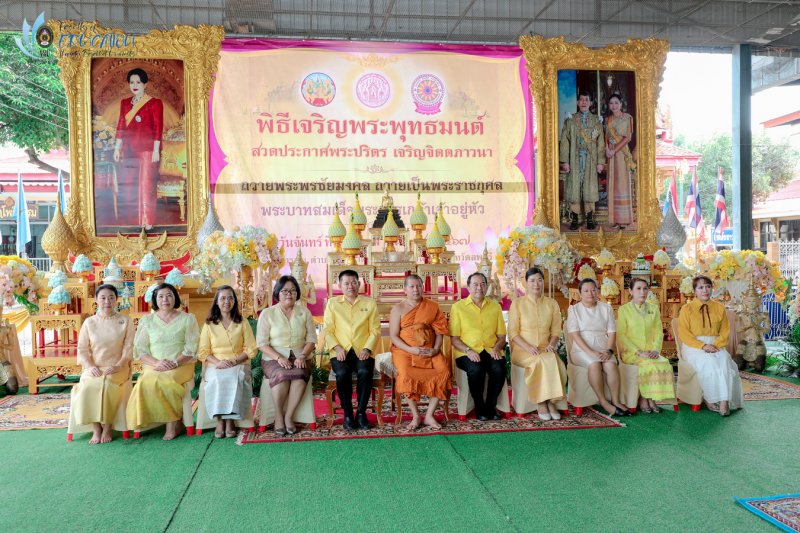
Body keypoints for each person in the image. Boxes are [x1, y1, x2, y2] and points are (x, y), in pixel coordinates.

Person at [126, 283, 199, 440]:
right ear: (155, 300)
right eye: (160, 296)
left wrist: (174, 362)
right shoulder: (147, 320)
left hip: (181, 364)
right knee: (145, 381)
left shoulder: (188, 319)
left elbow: (192, 347)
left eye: (169, 295)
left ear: (175, 298)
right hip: (154, 365)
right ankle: (150, 419)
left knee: (167, 379)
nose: (165, 299)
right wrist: (157, 363)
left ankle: (172, 423)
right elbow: (140, 350)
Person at [71, 284, 135, 443]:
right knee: (87, 386)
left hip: (117, 367)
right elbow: (82, 349)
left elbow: (129, 348)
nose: (107, 301)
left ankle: (107, 427)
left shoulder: (125, 321)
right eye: (103, 298)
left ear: (117, 300)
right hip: (94, 368)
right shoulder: (89, 322)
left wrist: (119, 365)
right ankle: (96, 428)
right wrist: (90, 366)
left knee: (106, 385)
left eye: (111, 298)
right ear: (96, 300)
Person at [256, 275, 317, 436]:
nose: (289, 294)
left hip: (300, 355)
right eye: (285, 291)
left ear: (297, 293)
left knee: (300, 373)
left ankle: (289, 417)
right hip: (273, 358)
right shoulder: (267, 313)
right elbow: (262, 343)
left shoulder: (304, 313)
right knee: (281, 374)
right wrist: (279, 358)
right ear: (277, 293)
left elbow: (312, 339)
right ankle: (278, 416)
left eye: (292, 290)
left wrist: (303, 356)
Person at [390, 274, 450, 431]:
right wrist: (411, 349)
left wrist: (435, 350)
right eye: (411, 286)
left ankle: (429, 415)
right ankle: (416, 415)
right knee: (405, 373)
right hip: (405, 351)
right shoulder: (398, 309)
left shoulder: (432, 306)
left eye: (418, 286)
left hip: (429, 350)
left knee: (443, 370)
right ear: (405, 289)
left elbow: (439, 332)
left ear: (423, 287)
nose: (415, 289)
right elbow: (394, 336)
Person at [678, 275, 744, 416]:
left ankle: (724, 401)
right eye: (700, 287)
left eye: (708, 286)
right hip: (693, 347)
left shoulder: (719, 308)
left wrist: (715, 345)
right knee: (708, 362)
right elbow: (684, 334)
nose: (705, 290)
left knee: (724, 359)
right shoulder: (687, 309)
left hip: (715, 344)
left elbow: (725, 331)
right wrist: (703, 346)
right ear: (694, 290)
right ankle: (710, 398)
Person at [323, 269, 381, 430]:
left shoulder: (369, 303)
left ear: (359, 284)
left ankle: (361, 413)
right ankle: (348, 414)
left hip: (363, 350)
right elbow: (328, 329)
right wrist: (337, 347)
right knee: (342, 374)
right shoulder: (333, 303)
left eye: (354, 282)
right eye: (346, 283)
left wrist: (368, 348)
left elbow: (375, 330)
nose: (350, 286)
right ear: (339, 285)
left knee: (364, 372)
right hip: (340, 350)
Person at [507, 267, 568, 420]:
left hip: (545, 348)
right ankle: (542, 402)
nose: (536, 284)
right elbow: (513, 332)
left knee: (554, 360)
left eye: (539, 280)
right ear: (525, 283)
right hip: (522, 351)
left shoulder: (551, 304)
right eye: (532, 280)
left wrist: (552, 345)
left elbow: (555, 332)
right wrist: (527, 347)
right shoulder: (518, 304)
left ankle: (550, 401)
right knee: (541, 360)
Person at [197, 286, 257, 438]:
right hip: (215, 364)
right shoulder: (209, 324)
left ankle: (230, 419)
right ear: (216, 302)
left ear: (234, 301)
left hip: (239, 362)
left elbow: (251, 349)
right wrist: (218, 363)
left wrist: (234, 360)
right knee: (217, 378)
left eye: (230, 298)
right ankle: (219, 420)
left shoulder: (242, 322)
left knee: (232, 377)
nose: (226, 301)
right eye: (222, 298)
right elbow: (203, 351)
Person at [565, 278, 631, 417]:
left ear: (598, 291)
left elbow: (612, 332)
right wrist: (591, 353)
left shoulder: (605, 308)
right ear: (580, 293)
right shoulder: (574, 309)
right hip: (581, 349)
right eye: (586, 290)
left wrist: (609, 350)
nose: (590, 293)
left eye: (593, 290)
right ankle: (603, 402)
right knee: (594, 364)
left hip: (603, 346)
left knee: (611, 365)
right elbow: (575, 335)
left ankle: (616, 400)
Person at [449, 272, 507, 421]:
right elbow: (454, 338)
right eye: (475, 284)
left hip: (490, 349)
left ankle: (490, 407)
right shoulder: (458, 307)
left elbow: (501, 336)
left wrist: (496, 348)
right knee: (476, 369)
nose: (479, 288)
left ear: (487, 286)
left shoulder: (495, 307)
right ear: (468, 287)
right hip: (466, 352)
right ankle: (480, 408)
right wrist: (468, 351)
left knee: (499, 369)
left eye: (482, 284)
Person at [113, 67, 164, 230]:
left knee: (147, 185)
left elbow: (158, 127)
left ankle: (148, 220)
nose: (135, 85)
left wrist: (156, 149)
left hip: (149, 150)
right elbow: (121, 126)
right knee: (132, 185)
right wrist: (116, 148)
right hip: (130, 150)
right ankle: (135, 220)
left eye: (138, 82)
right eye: (132, 82)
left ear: (145, 84)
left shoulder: (155, 103)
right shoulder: (125, 103)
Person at [616, 278, 675, 413]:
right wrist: (638, 352)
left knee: (664, 362)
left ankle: (651, 398)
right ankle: (645, 398)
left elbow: (659, 332)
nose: (642, 292)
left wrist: (655, 349)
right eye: (638, 288)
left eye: (645, 288)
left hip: (650, 351)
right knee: (649, 363)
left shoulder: (653, 309)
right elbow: (622, 335)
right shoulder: (624, 310)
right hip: (632, 353)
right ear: (630, 291)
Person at [559, 90, 606, 230]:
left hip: (591, 159)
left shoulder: (596, 121)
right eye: (582, 99)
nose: (584, 102)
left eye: (587, 100)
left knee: (589, 187)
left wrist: (600, 162)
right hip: (574, 157)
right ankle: (575, 218)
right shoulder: (570, 121)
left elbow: (601, 143)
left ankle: (590, 218)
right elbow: (565, 141)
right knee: (574, 186)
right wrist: (565, 161)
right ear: (577, 102)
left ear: (591, 103)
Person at [605, 93, 634, 228]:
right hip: (611, 155)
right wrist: (607, 149)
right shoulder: (607, 120)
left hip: (621, 154)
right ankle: (615, 219)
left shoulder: (627, 118)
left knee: (622, 185)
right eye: (611, 103)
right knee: (613, 185)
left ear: (621, 104)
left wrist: (614, 150)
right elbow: (605, 136)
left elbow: (627, 138)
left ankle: (624, 219)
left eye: (616, 102)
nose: (614, 105)